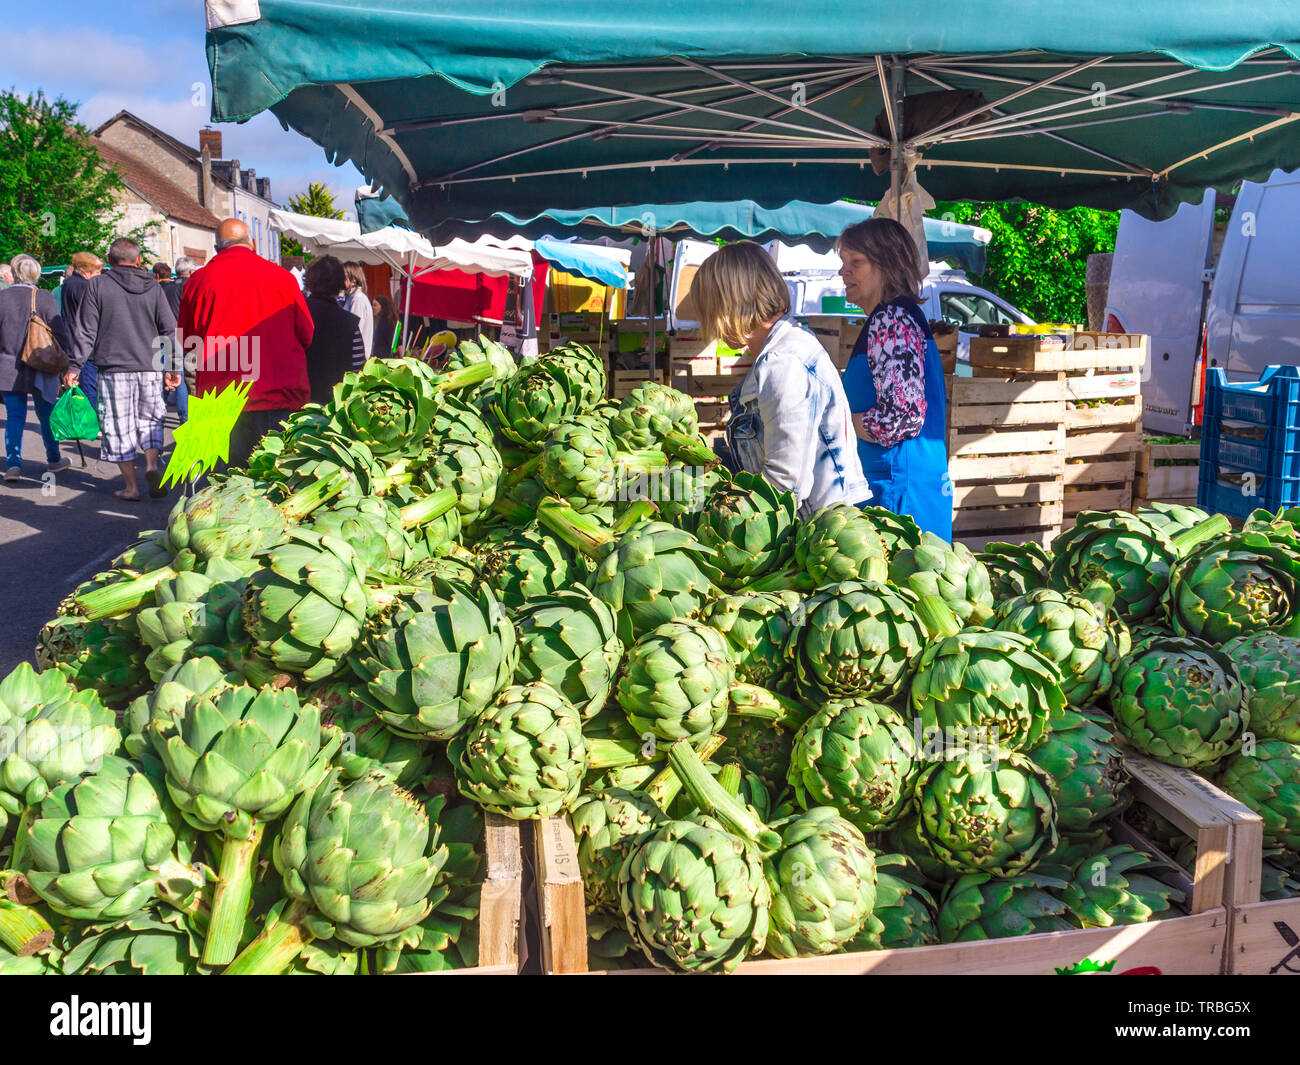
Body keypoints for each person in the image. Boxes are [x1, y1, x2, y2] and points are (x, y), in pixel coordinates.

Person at [691, 241, 870, 516]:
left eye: (709, 310)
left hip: (809, 532)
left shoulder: (784, 364)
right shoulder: (783, 349)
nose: (708, 323)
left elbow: (785, 483)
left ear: (728, 305)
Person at [837, 218, 952, 540]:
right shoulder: (893, 318)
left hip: (898, 490)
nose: (843, 272)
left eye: (855, 263)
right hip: (903, 481)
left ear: (887, 265)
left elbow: (900, 419)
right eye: (843, 263)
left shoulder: (892, 321)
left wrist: (836, 422)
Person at [178, 218, 313, 467]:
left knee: (225, 486)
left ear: (217, 248)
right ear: (252, 243)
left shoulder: (198, 282)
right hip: (279, 394)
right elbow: (306, 334)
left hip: (221, 400)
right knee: (279, 481)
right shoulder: (282, 278)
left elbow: (188, 342)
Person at [68, 238, 178, 501]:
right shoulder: (153, 286)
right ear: (138, 260)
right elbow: (170, 329)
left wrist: (74, 366)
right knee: (151, 420)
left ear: (109, 260)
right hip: (149, 367)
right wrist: (173, 366)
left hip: (113, 368)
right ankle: (151, 465)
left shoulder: (97, 285)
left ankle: (131, 487)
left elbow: (86, 331)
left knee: (119, 427)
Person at [0, 254, 71, 480]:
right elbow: (60, 331)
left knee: (14, 416)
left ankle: (13, 465)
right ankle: (53, 459)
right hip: (41, 364)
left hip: (7, 365)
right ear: (37, 274)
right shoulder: (43, 297)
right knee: (45, 413)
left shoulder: (2, 298)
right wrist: (67, 360)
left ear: (13, 273)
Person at [303, 255, 366, 405]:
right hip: (335, 409)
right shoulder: (349, 323)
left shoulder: (296, 314)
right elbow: (358, 371)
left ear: (310, 281)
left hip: (299, 406)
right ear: (340, 284)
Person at [60, 252, 104, 408]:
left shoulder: (69, 283)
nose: (100, 276)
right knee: (89, 386)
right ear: (87, 272)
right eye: (97, 272)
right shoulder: (83, 286)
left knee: (84, 386)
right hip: (84, 345)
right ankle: (92, 425)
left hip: (74, 341)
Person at [159, 258, 192, 423]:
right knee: (185, 377)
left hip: (169, 335)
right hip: (187, 337)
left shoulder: (167, 288)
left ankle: (165, 409)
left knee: (171, 372)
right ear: (190, 271)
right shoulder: (191, 286)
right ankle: (186, 417)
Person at [342, 262, 374, 361]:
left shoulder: (358, 299)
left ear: (353, 279)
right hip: (355, 355)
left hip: (356, 357)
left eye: (344, 277)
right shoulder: (353, 297)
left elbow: (354, 329)